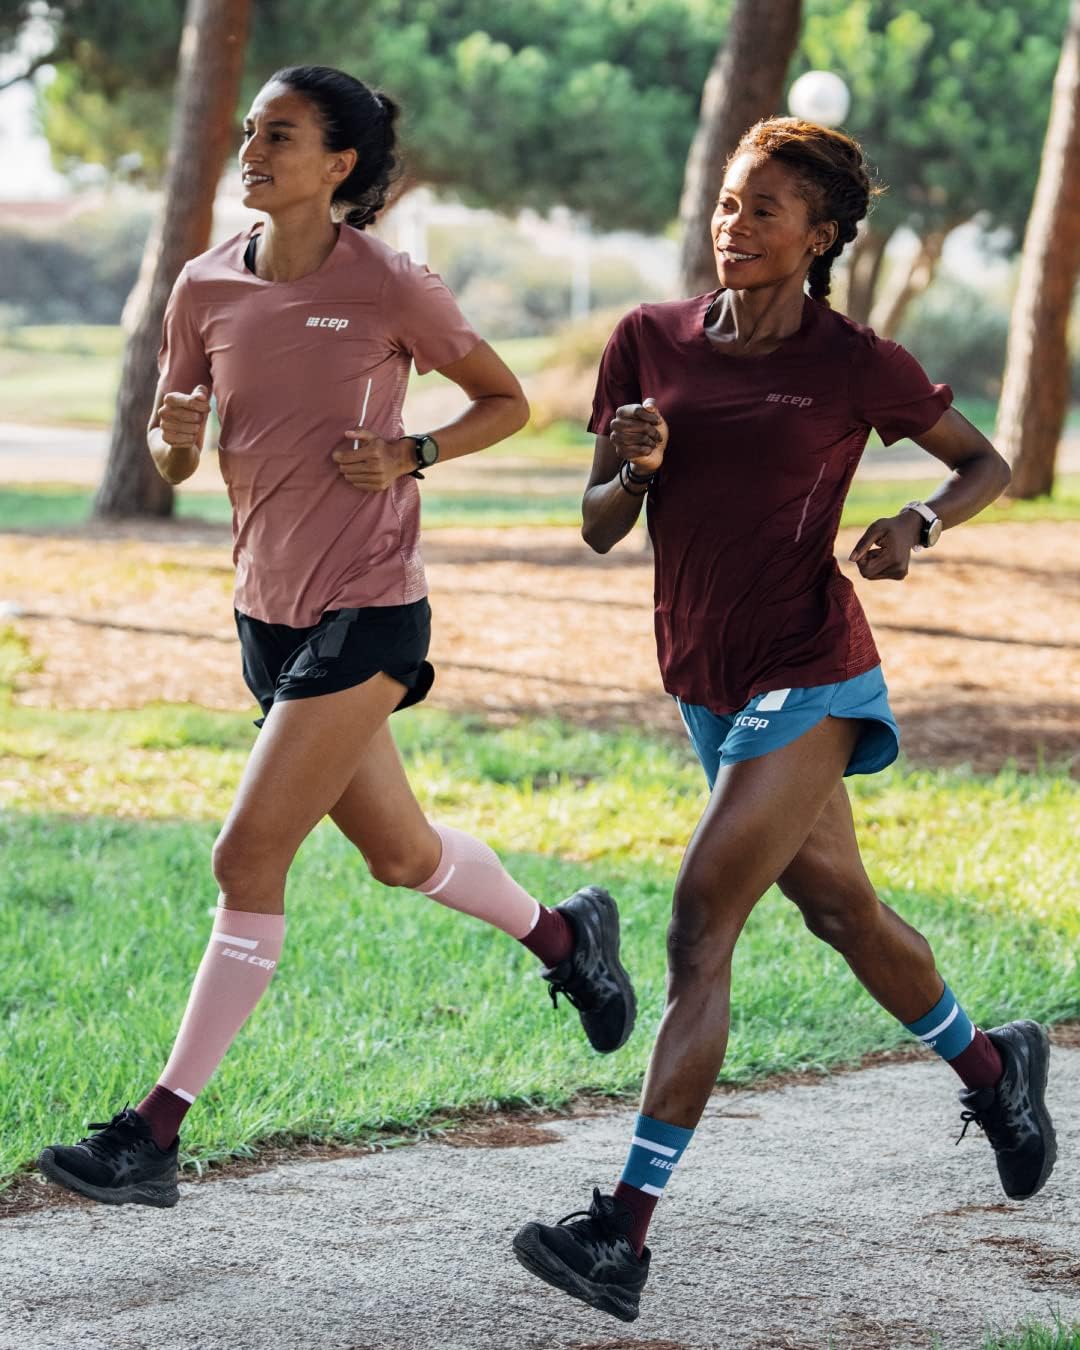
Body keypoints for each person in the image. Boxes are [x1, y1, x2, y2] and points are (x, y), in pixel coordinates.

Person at [37, 65, 635, 1209]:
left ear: (340, 165)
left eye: (281, 136)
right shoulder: (204, 287)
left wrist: (414, 454)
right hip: (265, 611)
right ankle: (566, 940)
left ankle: (154, 1133)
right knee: (401, 856)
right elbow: (177, 457)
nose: (253, 153)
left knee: (244, 857)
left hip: (368, 606)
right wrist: (171, 437)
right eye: (252, 134)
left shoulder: (390, 285)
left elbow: (505, 401)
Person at [512, 118, 1056, 1324]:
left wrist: (915, 522)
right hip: (703, 676)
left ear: (821, 236)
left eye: (765, 210)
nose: (734, 225)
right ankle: (994, 1069)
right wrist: (635, 468)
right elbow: (600, 524)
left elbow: (986, 464)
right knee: (843, 910)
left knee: (701, 926)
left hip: (812, 670)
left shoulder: (855, 361)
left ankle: (623, 1232)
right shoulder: (646, 341)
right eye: (727, 202)